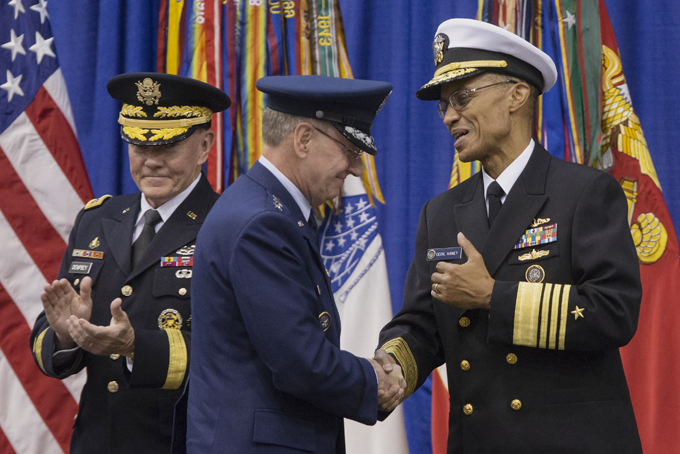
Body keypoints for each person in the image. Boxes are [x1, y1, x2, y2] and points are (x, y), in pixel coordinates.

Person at [375, 19, 643, 453]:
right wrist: (391, 366)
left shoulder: (585, 193)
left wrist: (492, 296)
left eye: (462, 98)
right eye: (443, 105)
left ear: (518, 93)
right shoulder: (441, 213)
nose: (448, 116)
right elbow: (423, 324)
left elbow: (613, 311)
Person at [182, 75, 404, 454]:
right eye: (350, 150)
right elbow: (301, 363)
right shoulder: (263, 223)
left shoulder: (266, 208)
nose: (355, 168)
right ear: (303, 139)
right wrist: (374, 380)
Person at [30, 72, 230, 454]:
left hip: (180, 442)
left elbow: (239, 353)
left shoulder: (230, 226)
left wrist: (138, 348)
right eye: (139, 147)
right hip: (97, 440)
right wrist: (66, 334)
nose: (151, 162)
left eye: (168, 146)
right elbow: (49, 342)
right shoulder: (97, 219)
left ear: (205, 146)